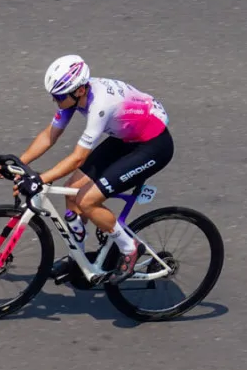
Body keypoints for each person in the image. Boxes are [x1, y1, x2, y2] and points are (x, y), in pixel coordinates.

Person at [15, 54, 172, 281]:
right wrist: (21, 164)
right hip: (127, 137)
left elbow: (78, 158)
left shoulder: (100, 105)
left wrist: (41, 179)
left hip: (153, 145)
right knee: (72, 191)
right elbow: (50, 136)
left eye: (58, 96)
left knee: (87, 200)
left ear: (78, 91)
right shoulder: (77, 94)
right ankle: (77, 259)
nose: (54, 100)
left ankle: (130, 248)